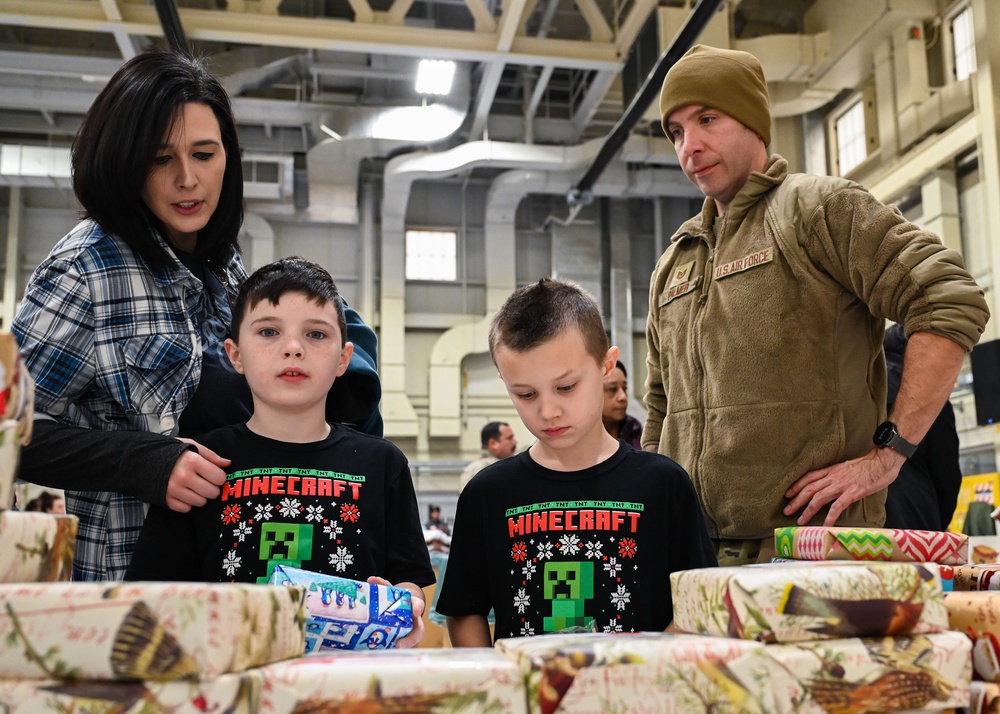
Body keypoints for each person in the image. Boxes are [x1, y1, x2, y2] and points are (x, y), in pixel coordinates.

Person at [10, 50, 382, 582]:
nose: (188, 179)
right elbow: (8, 432)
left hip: (241, 574)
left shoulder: (224, 265)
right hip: (140, 587)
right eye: (161, 159)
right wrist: (141, 461)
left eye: (204, 154)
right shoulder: (85, 268)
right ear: (123, 161)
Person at [647, 44, 989, 565]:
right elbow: (659, 406)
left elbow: (948, 299)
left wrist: (887, 456)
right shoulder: (676, 262)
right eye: (675, 131)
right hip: (694, 558)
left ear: (754, 122)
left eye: (707, 119)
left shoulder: (817, 210)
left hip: (813, 553)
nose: (689, 146)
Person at [124, 258, 433, 646]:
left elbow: (410, 580)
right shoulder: (199, 462)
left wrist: (406, 609)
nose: (292, 348)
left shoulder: (382, 463)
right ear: (235, 354)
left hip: (347, 684)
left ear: (343, 358)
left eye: (316, 335)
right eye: (269, 331)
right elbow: (153, 593)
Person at [437, 278, 716, 646]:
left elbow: (700, 606)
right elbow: (464, 610)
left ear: (606, 365)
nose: (548, 411)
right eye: (525, 394)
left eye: (566, 387)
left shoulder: (663, 484)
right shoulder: (487, 493)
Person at [882, 324, 962, 531]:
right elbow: (946, 474)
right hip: (915, 517)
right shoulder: (932, 397)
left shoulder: (862, 387)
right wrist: (937, 522)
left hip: (856, 522)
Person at [457, 421, 517, 491]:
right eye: (509, 438)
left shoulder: (472, 468)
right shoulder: (496, 469)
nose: (515, 442)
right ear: (493, 443)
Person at [602, 360, 643, 449]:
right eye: (612, 389)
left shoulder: (636, 431)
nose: (623, 397)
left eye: (624, 388)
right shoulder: (578, 440)